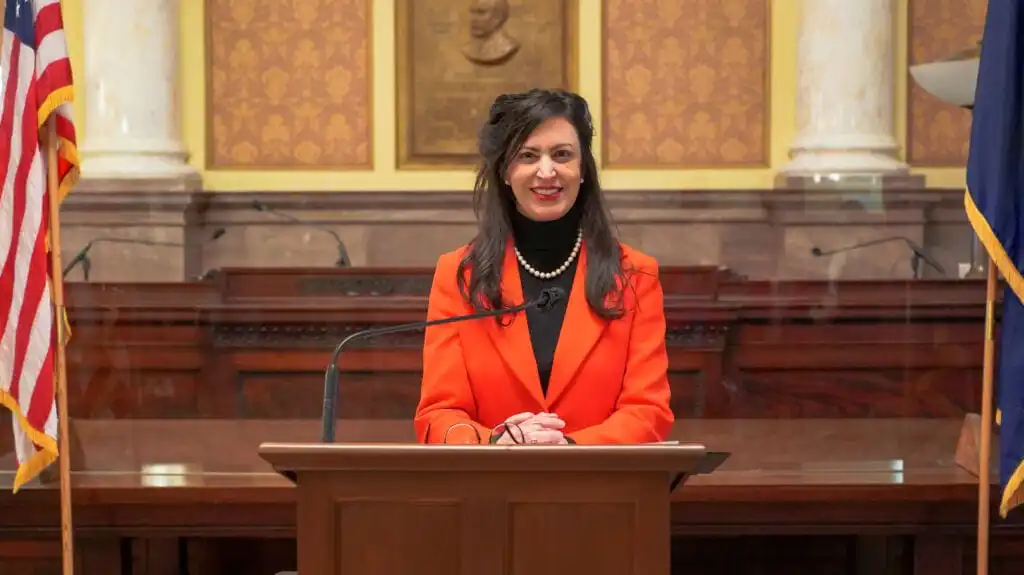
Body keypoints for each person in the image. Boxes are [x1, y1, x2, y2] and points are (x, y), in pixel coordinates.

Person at [413, 88, 673, 445]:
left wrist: (570, 447)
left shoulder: (635, 275)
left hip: (601, 488)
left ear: (583, 170)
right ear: (505, 171)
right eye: (528, 155)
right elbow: (439, 414)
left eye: (562, 155)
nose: (546, 171)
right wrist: (493, 443)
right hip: (490, 488)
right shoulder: (459, 274)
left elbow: (648, 410)